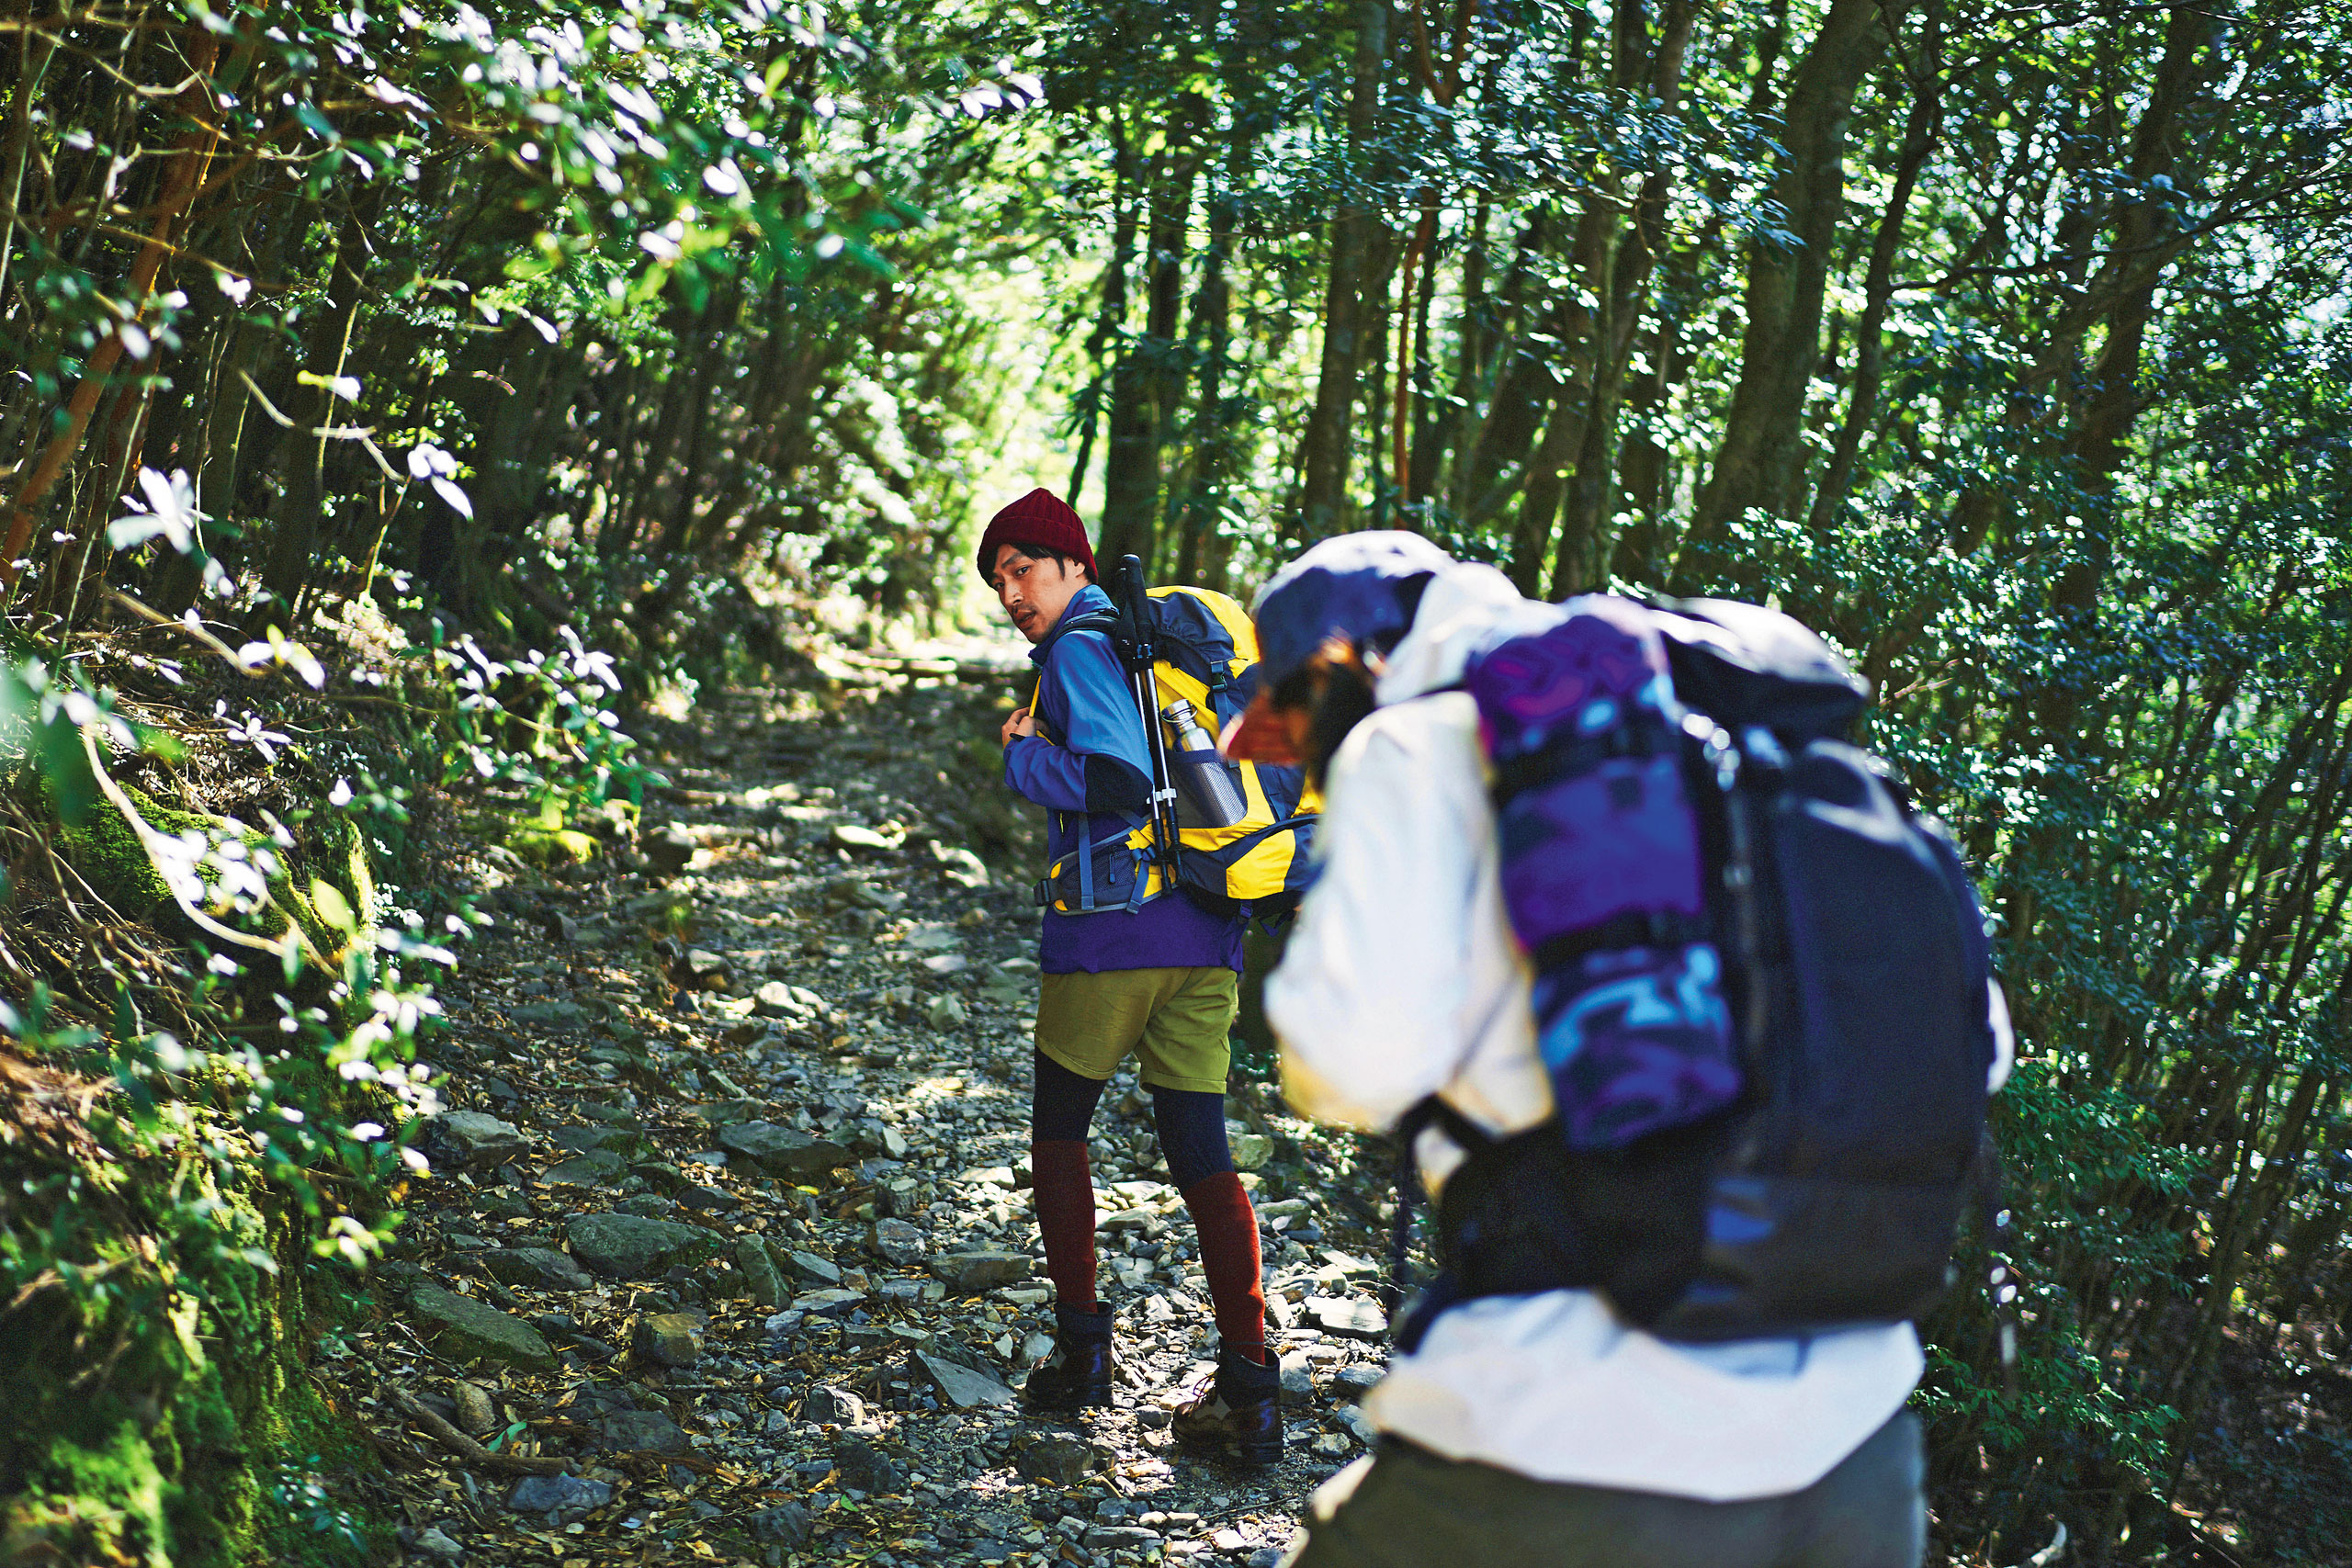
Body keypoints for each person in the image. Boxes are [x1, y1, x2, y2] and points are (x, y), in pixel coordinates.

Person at [1225, 533, 2010, 1567]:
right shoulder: (1753, 753)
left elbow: (1348, 1065)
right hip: (1861, 1450)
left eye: (1288, 713)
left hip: (1575, 1435)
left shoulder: (1412, 744)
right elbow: (1983, 1047)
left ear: (1336, 671)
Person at [978, 487, 1282, 1463]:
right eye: (997, 581)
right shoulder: (1150, 651)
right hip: (1205, 928)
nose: (1011, 593)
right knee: (1200, 1149)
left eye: (1023, 568)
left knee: (1059, 1132)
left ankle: (1082, 1357)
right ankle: (1250, 1389)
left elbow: (1114, 780)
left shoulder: (1080, 647)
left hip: (1113, 932)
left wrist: (1026, 756)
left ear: (1074, 563)